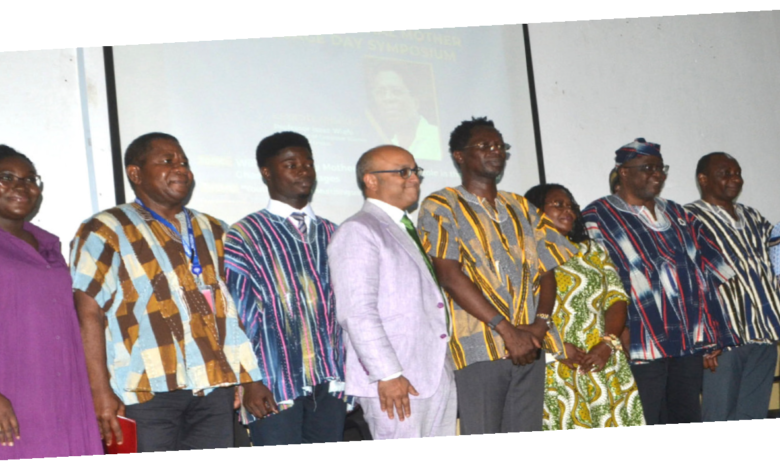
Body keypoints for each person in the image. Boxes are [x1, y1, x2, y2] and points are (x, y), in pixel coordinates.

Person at [70, 133, 275, 453]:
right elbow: (87, 313)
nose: (181, 169)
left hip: (212, 389)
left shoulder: (214, 229)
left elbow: (232, 311)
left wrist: (244, 377)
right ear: (135, 173)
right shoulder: (106, 229)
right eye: (167, 161)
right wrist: (98, 391)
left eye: (184, 162)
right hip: (144, 391)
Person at [417, 117, 574, 434]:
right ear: (459, 156)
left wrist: (540, 325)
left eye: (500, 146)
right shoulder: (440, 204)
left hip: (531, 344)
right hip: (480, 347)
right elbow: (449, 275)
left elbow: (548, 270)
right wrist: (506, 330)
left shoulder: (521, 206)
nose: (496, 151)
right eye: (485, 146)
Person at [582, 138, 739, 425]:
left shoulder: (680, 215)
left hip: (686, 342)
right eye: (647, 167)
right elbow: (595, 283)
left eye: (660, 167)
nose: (657, 174)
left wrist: (713, 330)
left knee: (685, 420)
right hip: (639, 342)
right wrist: (616, 333)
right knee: (646, 422)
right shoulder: (597, 217)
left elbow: (710, 275)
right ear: (624, 172)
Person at [224, 132, 348, 445]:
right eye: (291, 165)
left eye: (308, 164)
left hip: (331, 379)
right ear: (267, 172)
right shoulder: (244, 235)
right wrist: (250, 379)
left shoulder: (334, 232)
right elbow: (238, 314)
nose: (304, 170)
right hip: (274, 384)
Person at [327, 145, 456, 439]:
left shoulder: (402, 227)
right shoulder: (359, 230)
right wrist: (388, 374)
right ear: (371, 180)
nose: (414, 179)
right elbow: (357, 312)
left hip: (433, 374)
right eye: (403, 172)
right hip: (395, 380)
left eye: (415, 171)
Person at [0, 145, 103, 460]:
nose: (22, 186)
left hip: (65, 392)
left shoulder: (49, 245)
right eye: (7, 177)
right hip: (14, 392)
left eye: (31, 179)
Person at [524, 183, 644, 430]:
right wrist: (555, 348)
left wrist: (608, 343)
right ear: (535, 210)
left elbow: (616, 299)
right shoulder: (523, 255)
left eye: (571, 206)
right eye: (557, 204)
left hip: (603, 359)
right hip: (554, 366)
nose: (567, 210)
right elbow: (520, 310)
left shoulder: (592, 250)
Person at [685, 152, 780, 421]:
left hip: (764, 334)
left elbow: (775, 257)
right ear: (703, 179)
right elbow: (687, 284)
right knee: (720, 418)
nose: (735, 179)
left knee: (753, 417)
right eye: (725, 173)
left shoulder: (751, 216)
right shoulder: (688, 219)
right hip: (722, 341)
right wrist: (702, 339)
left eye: (737, 173)